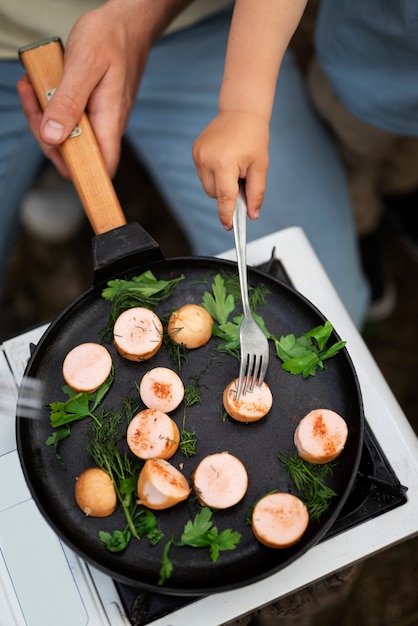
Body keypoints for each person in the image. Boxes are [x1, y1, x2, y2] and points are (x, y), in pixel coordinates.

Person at [2, 0, 368, 328]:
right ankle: (53, 173)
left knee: (322, 309)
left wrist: (139, 17)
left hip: (194, 31)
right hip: (7, 42)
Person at [305, 1, 418, 320]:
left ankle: (400, 197)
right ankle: (361, 233)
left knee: (407, 164)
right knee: (350, 173)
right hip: (360, 85)